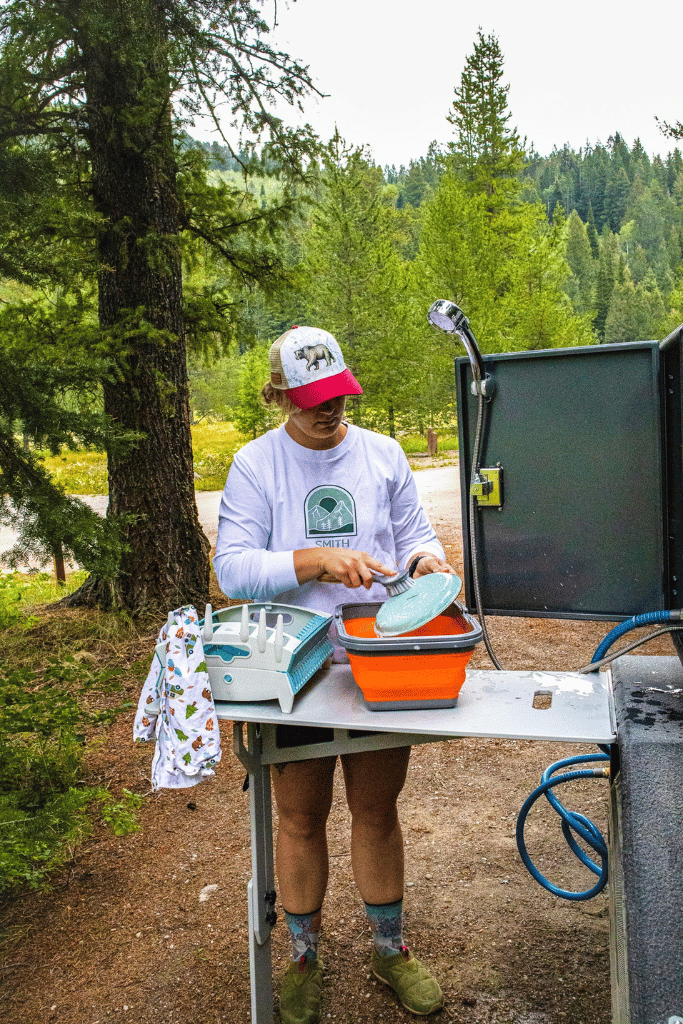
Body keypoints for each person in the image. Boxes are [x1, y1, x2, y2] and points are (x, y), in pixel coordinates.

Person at [214, 325, 454, 1022]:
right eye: (314, 400)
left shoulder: (380, 454)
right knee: (298, 817)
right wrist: (314, 560)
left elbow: (412, 534)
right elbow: (233, 569)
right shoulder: (257, 464)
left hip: (379, 661)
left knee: (377, 810)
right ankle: (302, 956)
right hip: (295, 665)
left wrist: (426, 560)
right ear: (280, 396)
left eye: (338, 396)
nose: (329, 411)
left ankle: (389, 948)